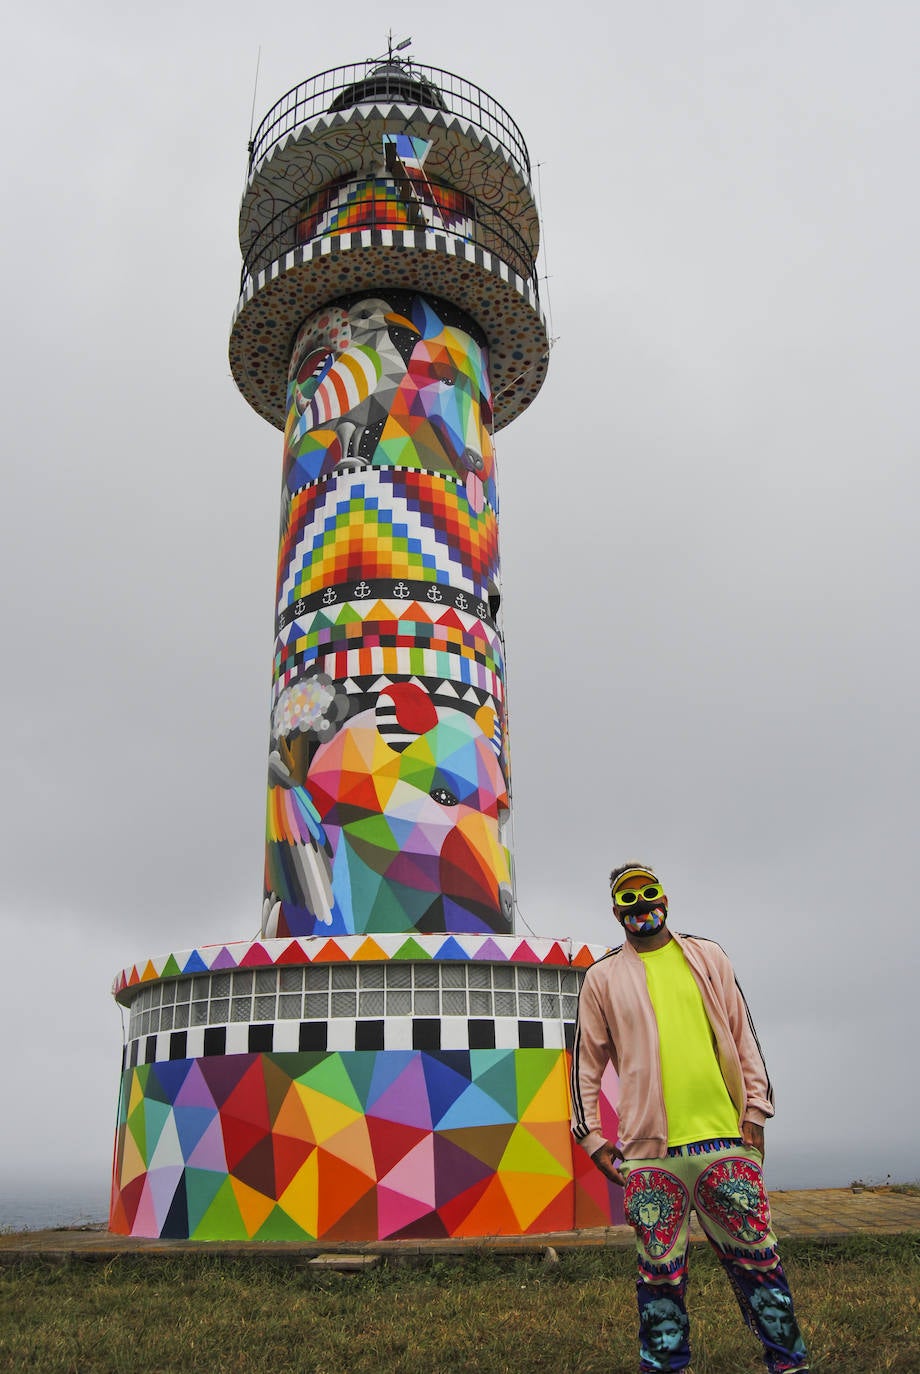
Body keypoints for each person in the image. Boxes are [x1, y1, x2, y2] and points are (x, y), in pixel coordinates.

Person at [570, 862, 809, 1374]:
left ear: (666, 898)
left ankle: (789, 1364)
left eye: (648, 892)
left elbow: (744, 1036)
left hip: (723, 1140)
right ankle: (666, 1366)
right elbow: (585, 1065)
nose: (640, 905)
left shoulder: (708, 957)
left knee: (760, 1261)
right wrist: (592, 1138)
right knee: (658, 1277)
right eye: (628, 898)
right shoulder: (601, 979)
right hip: (648, 1156)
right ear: (616, 911)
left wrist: (755, 1112)